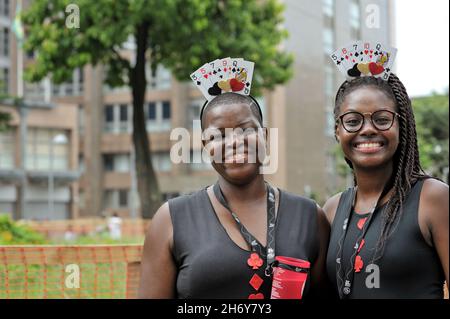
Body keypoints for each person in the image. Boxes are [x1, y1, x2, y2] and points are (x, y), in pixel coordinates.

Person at [138, 92, 330, 299]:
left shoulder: (310, 216)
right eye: (217, 136)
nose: (234, 142)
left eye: (246, 130)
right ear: (206, 147)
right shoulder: (171, 219)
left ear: (264, 136)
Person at [324, 73, 449, 299]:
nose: (368, 129)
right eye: (353, 121)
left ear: (400, 126)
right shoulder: (331, 210)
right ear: (337, 131)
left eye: (382, 119)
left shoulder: (433, 198)